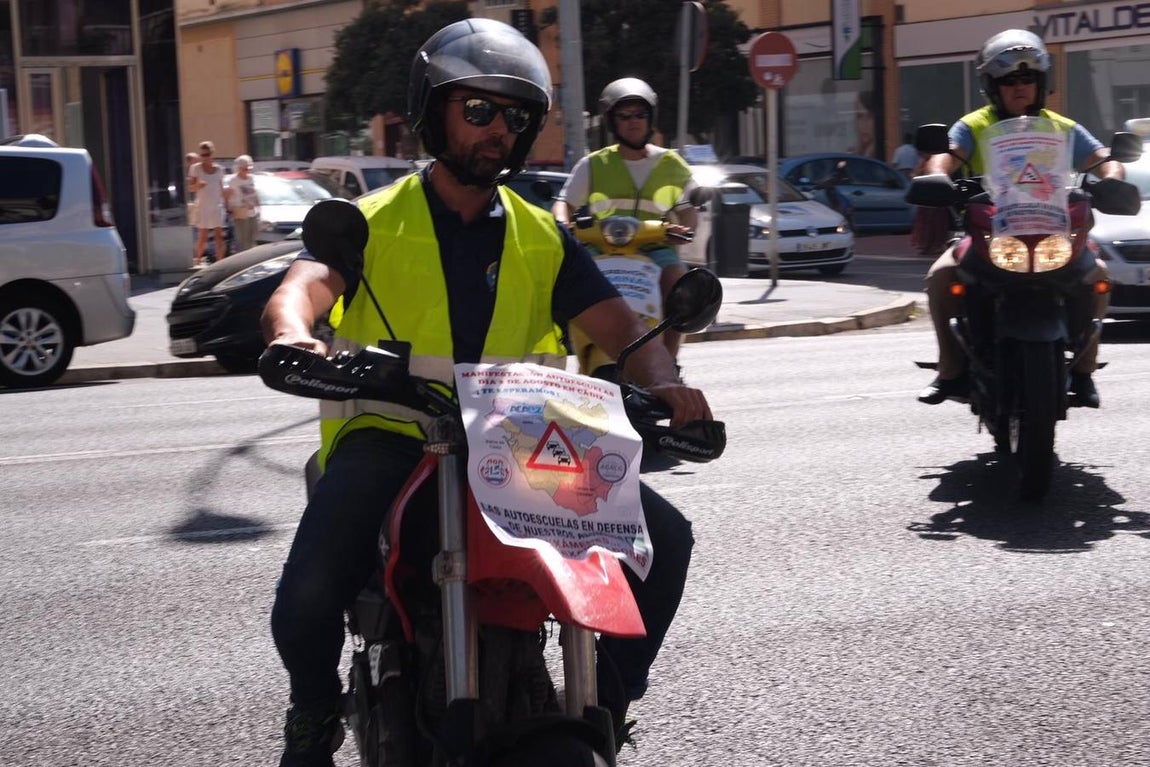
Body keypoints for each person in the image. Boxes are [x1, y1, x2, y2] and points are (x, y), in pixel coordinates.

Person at [261, 19, 709, 767]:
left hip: (518, 436)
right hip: (395, 431)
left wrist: (667, 380)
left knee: (668, 542)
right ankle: (312, 709)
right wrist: (292, 334)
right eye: (478, 110)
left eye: (514, 117)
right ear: (433, 111)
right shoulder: (375, 219)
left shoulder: (542, 234)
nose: (497, 129)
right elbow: (302, 285)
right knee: (307, 595)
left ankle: (608, 703)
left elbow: (621, 327)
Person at [918, 29, 1122, 408]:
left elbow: (1102, 157)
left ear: (1041, 81)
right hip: (990, 231)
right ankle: (951, 370)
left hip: (1054, 231)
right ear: (992, 86)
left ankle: (1083, 371)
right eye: (1008, 80)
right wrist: (938, 174)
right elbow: (948, 152)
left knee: (1098, 275)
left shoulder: (1062, 127)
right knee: (940, 276)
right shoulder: (974, 124)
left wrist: (1111, 179)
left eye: (1027, 78)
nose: (1019, 86)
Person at [551, 77, 697, 364]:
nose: (633, 122)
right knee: (568, 284)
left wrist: (687, 229)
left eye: (640, 115)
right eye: (624, 116)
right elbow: (563, 203)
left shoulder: (671, 163)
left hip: (656, 246)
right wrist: (562, 225)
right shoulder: (593, 164)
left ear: (651, 118)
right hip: (601, 246)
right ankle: (572, 348)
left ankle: (669, 362)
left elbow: (689, 208)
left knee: (678, 281)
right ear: (612, 122)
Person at [188, 140, 228, 266]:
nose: (204, 158)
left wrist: (227, 203)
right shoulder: (196, 169)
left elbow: (222, 188)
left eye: (207, 155)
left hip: (217, 205)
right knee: (203, 235)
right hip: (203, 205)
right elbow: (190, 188)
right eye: (202, 155)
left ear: (212, 154)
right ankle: (198, 260)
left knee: (219, 235)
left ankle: (220, 261)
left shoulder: (219, 170)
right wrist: (198, 185)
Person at [225, 154, 261, 253]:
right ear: (239, 168)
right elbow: (228, 197)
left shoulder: (251, 178)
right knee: (244, 240)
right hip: (240, 212)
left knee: (253, 237)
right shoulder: (233, 181)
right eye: (245, 168)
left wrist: (258, 205)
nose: (247, 171)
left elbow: (254, 193)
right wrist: (230, 208)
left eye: (248, 168)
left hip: (252, 211)